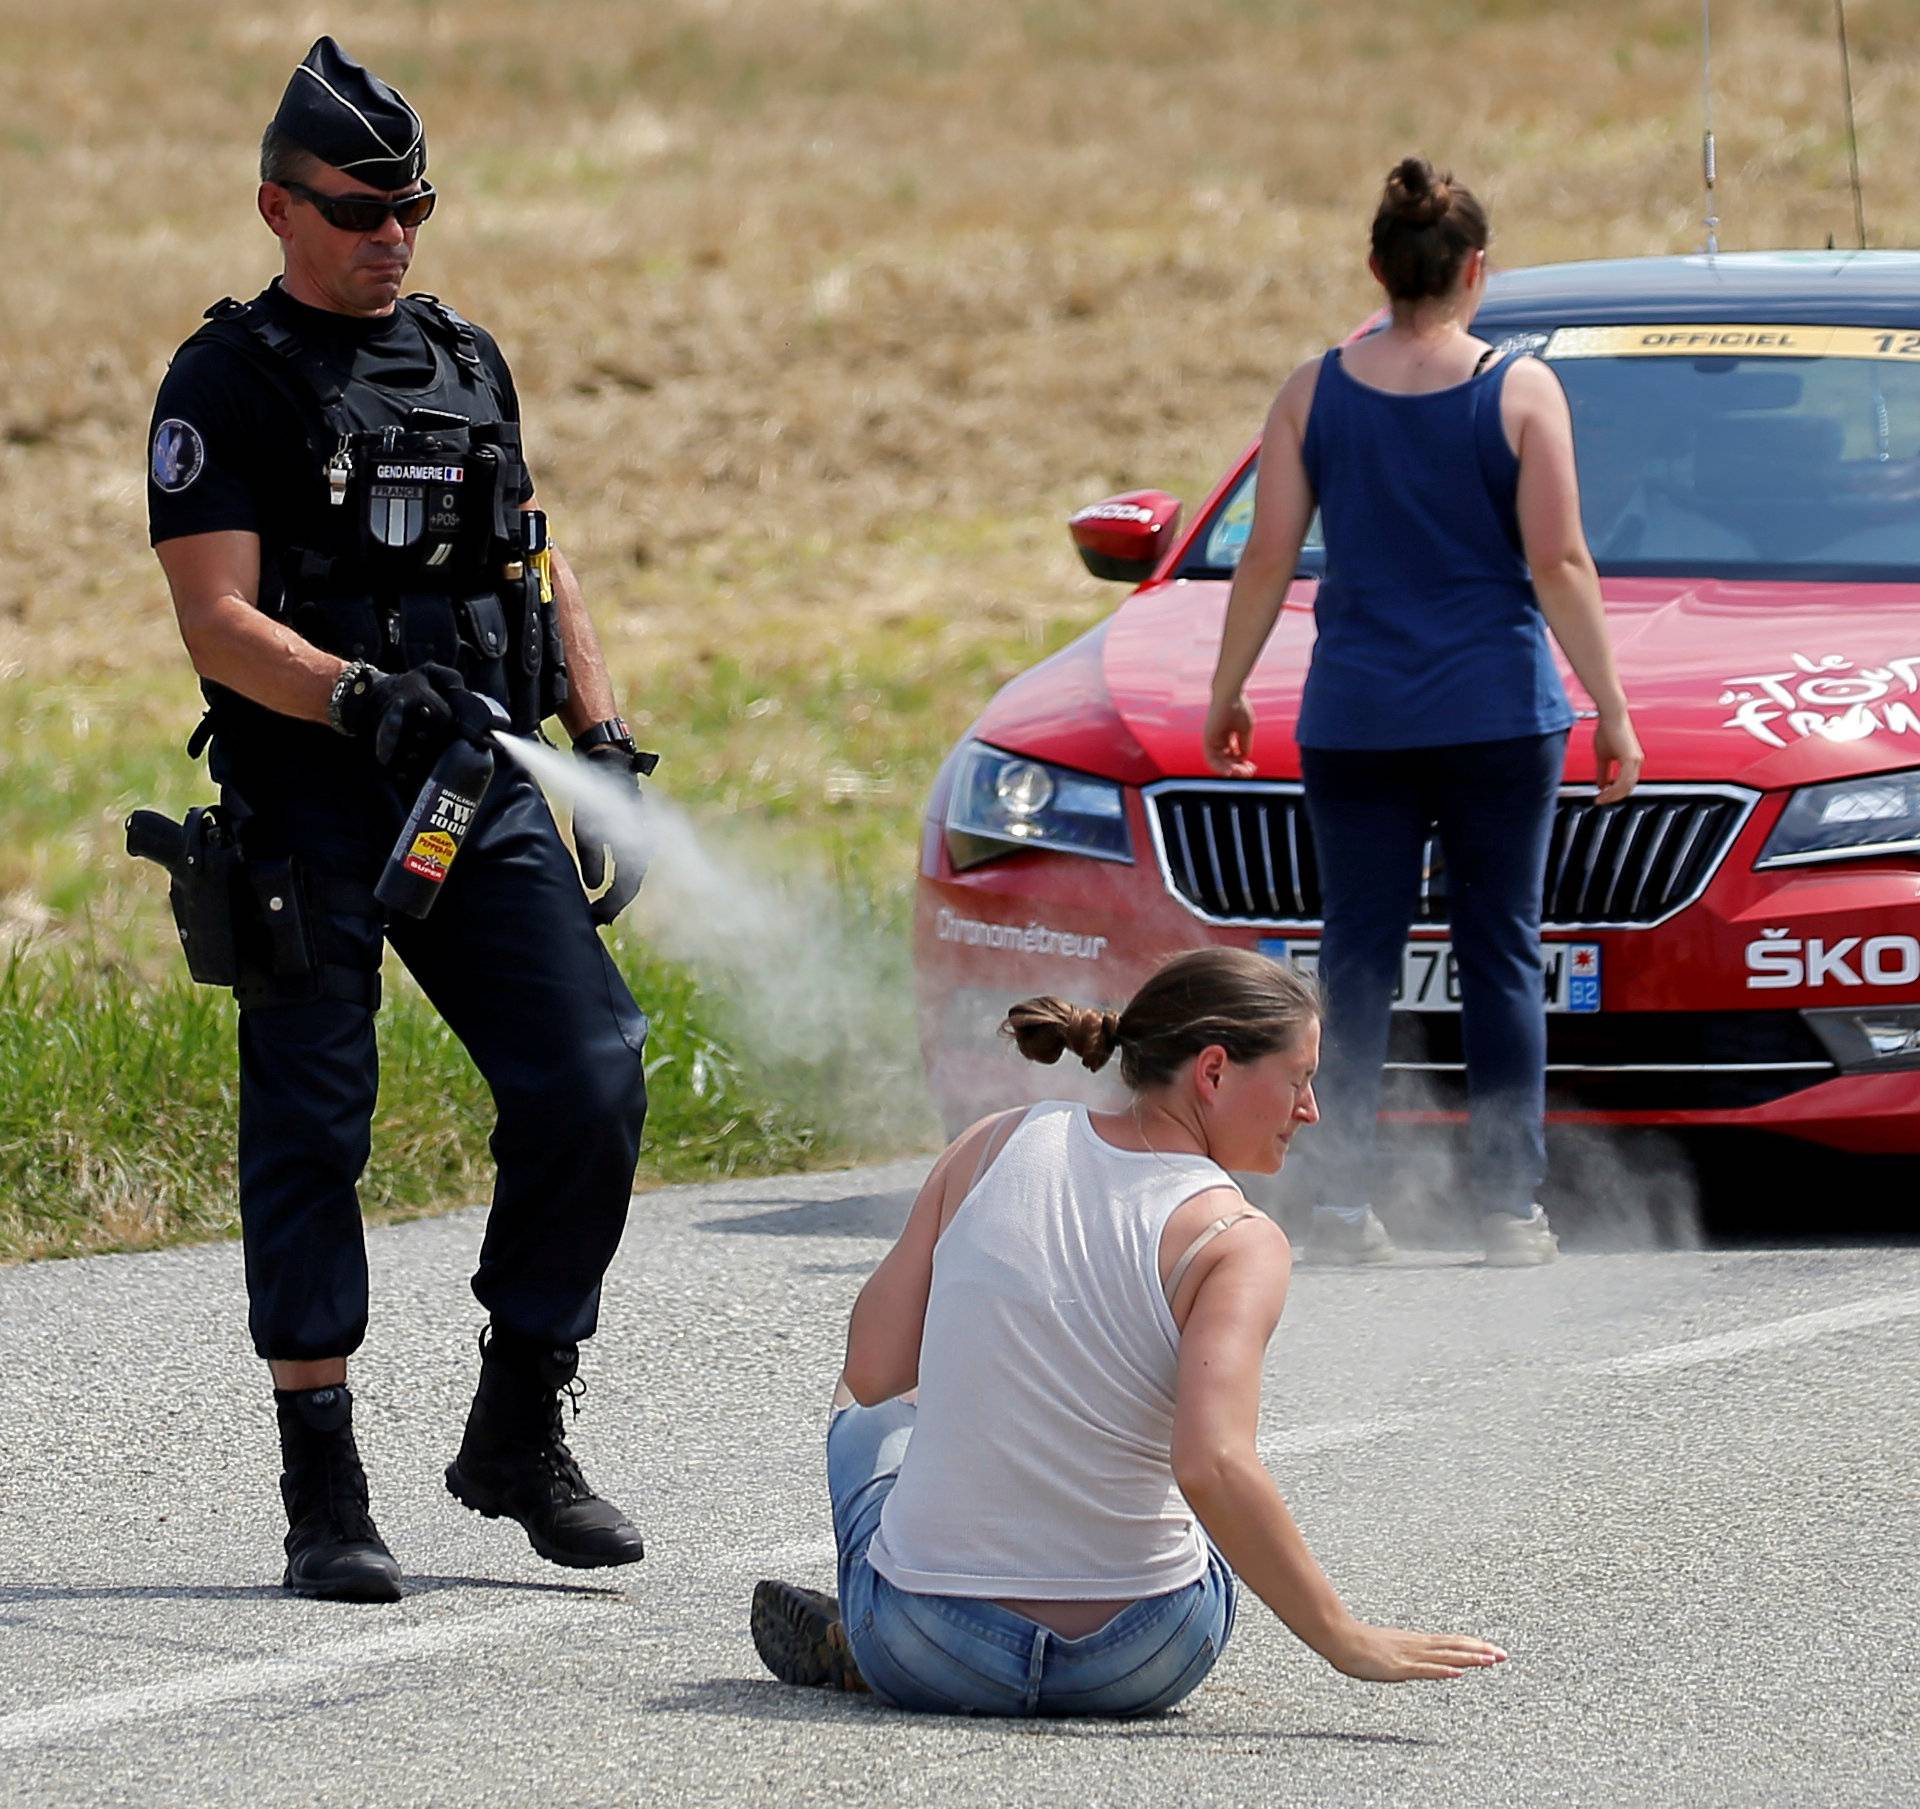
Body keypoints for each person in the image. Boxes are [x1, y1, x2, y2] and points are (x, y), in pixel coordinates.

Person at [143, 38, 655, 1602]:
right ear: (276, 208)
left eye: (413, 206)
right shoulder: (222, 380)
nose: (393, 234)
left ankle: (516, 1426)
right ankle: (325, 1491)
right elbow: (218, 620)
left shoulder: (466, 358)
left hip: (480, 790)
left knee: (593, 1074)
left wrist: (603, 733)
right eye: (362, 208)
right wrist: (357, 694)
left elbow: (535, 562)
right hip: (314, 803)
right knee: (315, 1131)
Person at [749, 949, 1508, 1715]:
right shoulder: (1239, 1237)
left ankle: (868, 1632)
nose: (1309, 1109)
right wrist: (1345, 1637)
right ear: (1213, 1072)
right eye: (1297, 1078)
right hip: (1142, 1652)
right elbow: (1211, 1461)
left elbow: (875, 1370)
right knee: (1193, 1525)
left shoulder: (993, 1143)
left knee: (865, 1423)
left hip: (930, 1643)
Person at [1203, 157, 1643, 1268]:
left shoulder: (1314, 393)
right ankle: (1505, 1210)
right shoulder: (1523, 391)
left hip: (1355, 718)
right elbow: (1560, 561)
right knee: (1501, 952)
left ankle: (1345, 1206)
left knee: (1353, 963)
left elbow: (1265, 557)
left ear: (1376, 268)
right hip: (1499, 714)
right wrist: (1613, 709)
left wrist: (1228, 688)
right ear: (1476, 272)